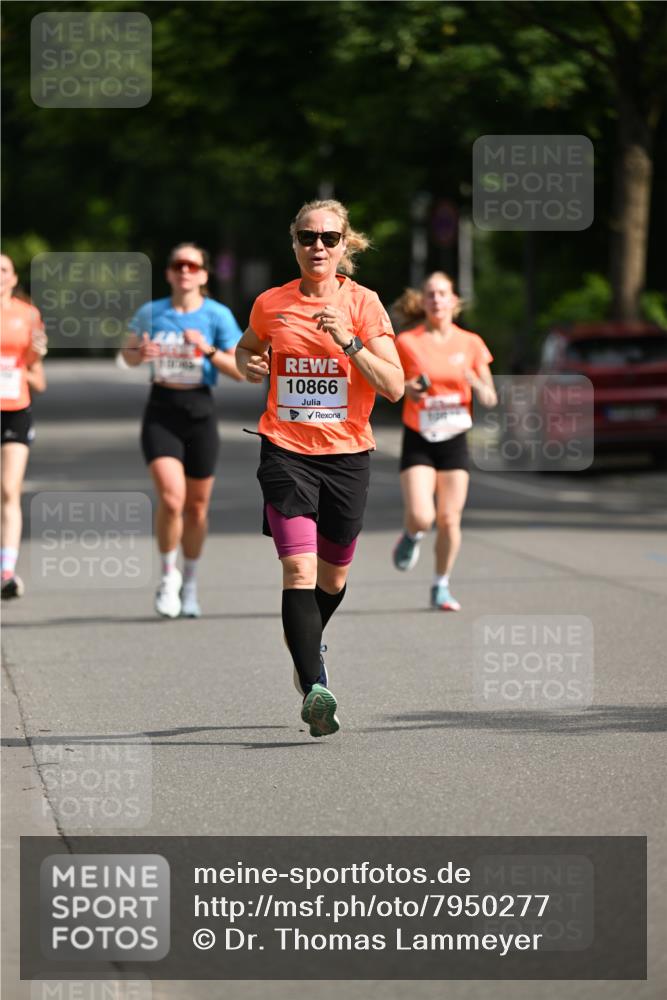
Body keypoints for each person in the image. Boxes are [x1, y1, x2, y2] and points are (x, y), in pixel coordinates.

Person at [235, 199, 403, 737]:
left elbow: (394, 386)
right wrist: (249, 363)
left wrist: (349, 342)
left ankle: (305, 650)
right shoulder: (271, 303)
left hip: (347, 455)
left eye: (329, 238)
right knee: (299, 571)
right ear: (294, 243)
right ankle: (314, 687)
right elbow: (245, 350)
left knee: (332, 577)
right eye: (308, 237)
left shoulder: (364, 304)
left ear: (344, 244)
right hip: (286, 450)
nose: (318, 247)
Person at [121, 242, 243, 618]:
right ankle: (168, 577)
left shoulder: (217, 315)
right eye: (178, 265)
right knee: (172, 499)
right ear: (169, 273)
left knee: (196, 508)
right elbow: (126, 355)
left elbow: (240, 369)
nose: (185, 271)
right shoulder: (151, 312)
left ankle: (190, 582)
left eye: (192, 265)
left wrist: (207, 350)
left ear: (204, 274)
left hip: (201, 412)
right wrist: (140, 354)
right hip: (161, 411)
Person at [391, 271, 496, 611]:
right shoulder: (407, 341)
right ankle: (412, 535)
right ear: (422, 301)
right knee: (423, 515)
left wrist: (476, 384)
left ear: (454, 301)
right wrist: (409, 388)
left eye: (442, 293)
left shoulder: (471, 343)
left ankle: (441, 585)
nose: (436, 299)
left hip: (454, 438)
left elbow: (491, 397)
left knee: (450, 519)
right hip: (419, 435)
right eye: (430, 294)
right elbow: (391, 387)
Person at [1, 254, 48, 599]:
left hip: (15, 409)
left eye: (3, 269)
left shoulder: (27, 315)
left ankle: (6, 571)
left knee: (8, 490)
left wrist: (33, 359)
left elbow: (38, 379)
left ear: (14, 277)